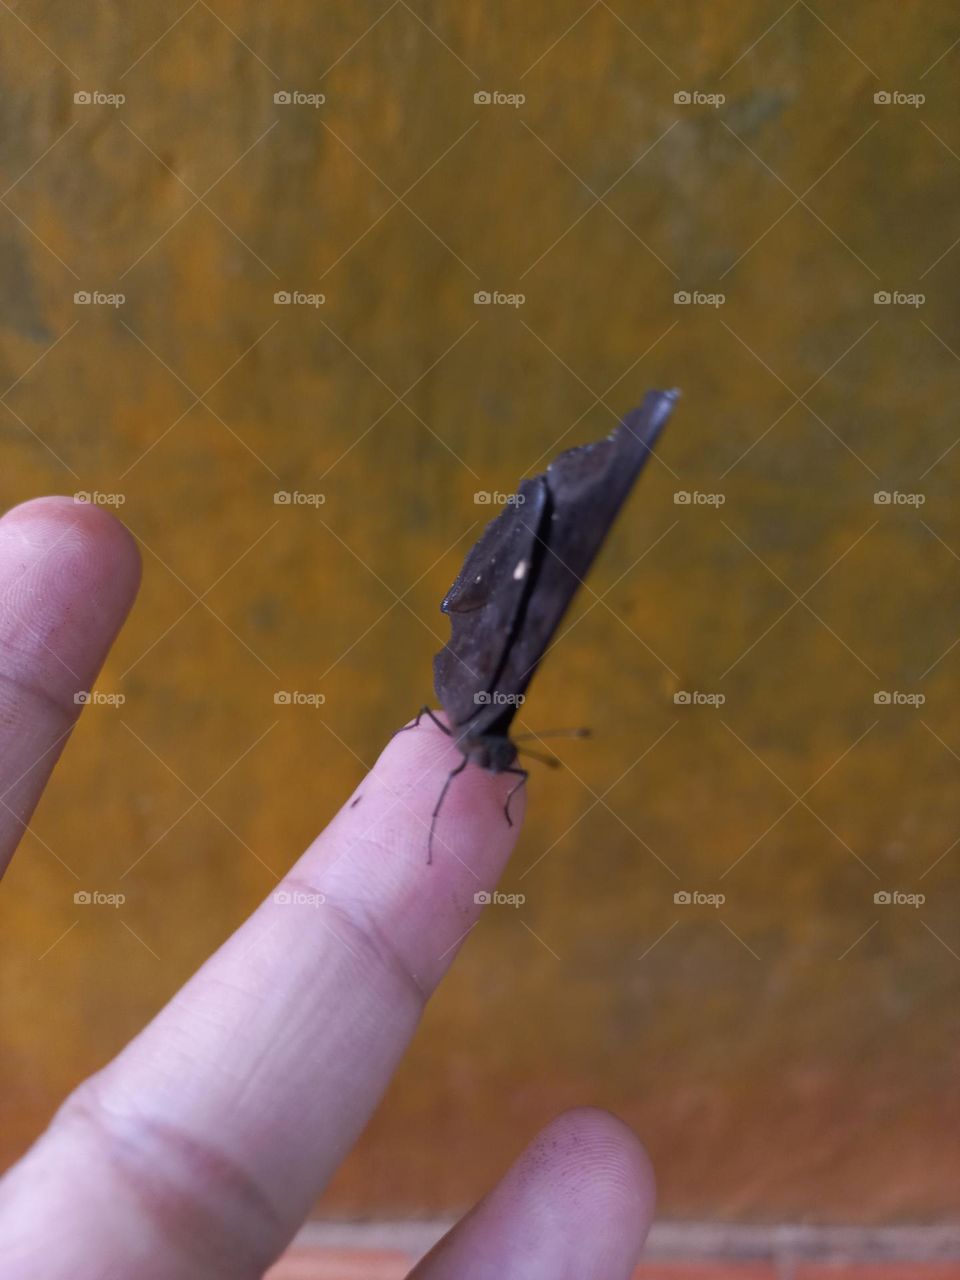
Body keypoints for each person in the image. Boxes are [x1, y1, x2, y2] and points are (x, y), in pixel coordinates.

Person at [0, 497, 654, 1279]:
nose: (506, 764)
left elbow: (500, 766)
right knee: (457, 759)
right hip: (457, 706)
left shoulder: (491, 746)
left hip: (462, 714)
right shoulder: (466, 731)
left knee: (491, 765)